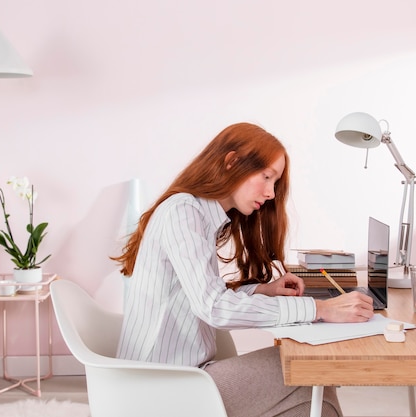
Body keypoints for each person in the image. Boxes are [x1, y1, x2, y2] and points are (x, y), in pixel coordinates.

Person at [113, 122, 374, 417]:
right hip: (159, 390)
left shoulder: (195, 214)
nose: (271, 193)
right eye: (266, 177)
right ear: (232, 162)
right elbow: (213, 307)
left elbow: (201, 295)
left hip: (179, 378)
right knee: (305, 368)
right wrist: (320, 309)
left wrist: (263, 290)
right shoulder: (182, 212)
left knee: (313, 398)